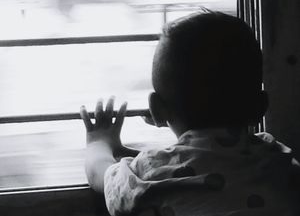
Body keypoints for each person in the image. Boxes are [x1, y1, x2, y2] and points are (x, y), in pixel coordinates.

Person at [80, 11, 300, 216]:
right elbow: (217, 161)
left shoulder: (151, 171)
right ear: (260, 106)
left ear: (157, 110)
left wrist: (98, 142)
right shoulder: (277, 160)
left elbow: (100, 174)